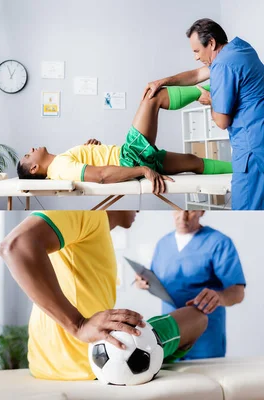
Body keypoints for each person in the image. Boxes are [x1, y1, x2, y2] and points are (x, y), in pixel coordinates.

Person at [0, 211, 208, 380]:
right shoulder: (88, 213)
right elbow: (15, 246)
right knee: (198, 317)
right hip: (92, 363)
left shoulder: (94, 230)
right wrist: (78, 324)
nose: (139, 207)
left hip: (45, 365)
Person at [17, 84, 232, 194]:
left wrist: (91, 151)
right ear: (34, 168)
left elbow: (96, 166)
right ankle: (218, 87)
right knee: (153, 96)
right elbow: (101, 176)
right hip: (130, 159)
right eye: (28, 154)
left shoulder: (60, 163)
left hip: (130, 159)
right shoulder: (60, 169)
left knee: (192, 161)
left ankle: (242, 170)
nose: (32, 148)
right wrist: (142, 170)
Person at [145, 18, 264, 209]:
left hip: (251, 146)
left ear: (211, 43)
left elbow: (221, 121)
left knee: (246, 207)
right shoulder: (240, 49)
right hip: (260, 137)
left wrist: (210, 100)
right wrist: (162, 81)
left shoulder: (223, 66)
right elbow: (197, 75)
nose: (196, 57)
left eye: (197, 51)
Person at [135, 210, 246, 359]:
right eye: (177, 210)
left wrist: (219, 297)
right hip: (171, 332)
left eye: (191, 211)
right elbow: (158, 283)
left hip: (205, 335)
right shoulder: (163, 244)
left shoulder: (219, 242)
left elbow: (238, 292)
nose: (183, 216)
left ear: (202, 211)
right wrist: (143, 283)